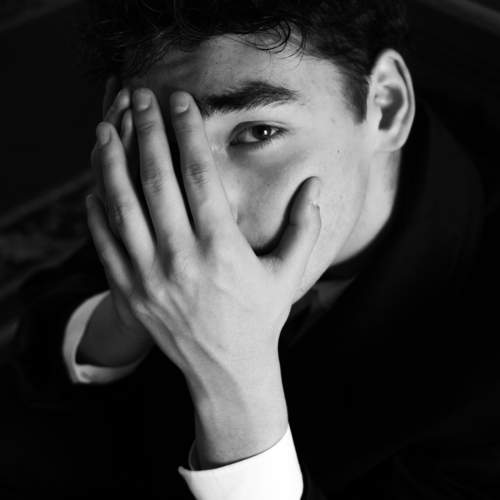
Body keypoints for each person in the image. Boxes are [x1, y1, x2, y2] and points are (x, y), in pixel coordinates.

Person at [2, 0, 500, 498]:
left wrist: (234, 387)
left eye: (259, 133)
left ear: (386, 106)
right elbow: (36, 372)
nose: (208, 208)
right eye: (171, 141)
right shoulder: (161, 179)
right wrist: (124, 322)